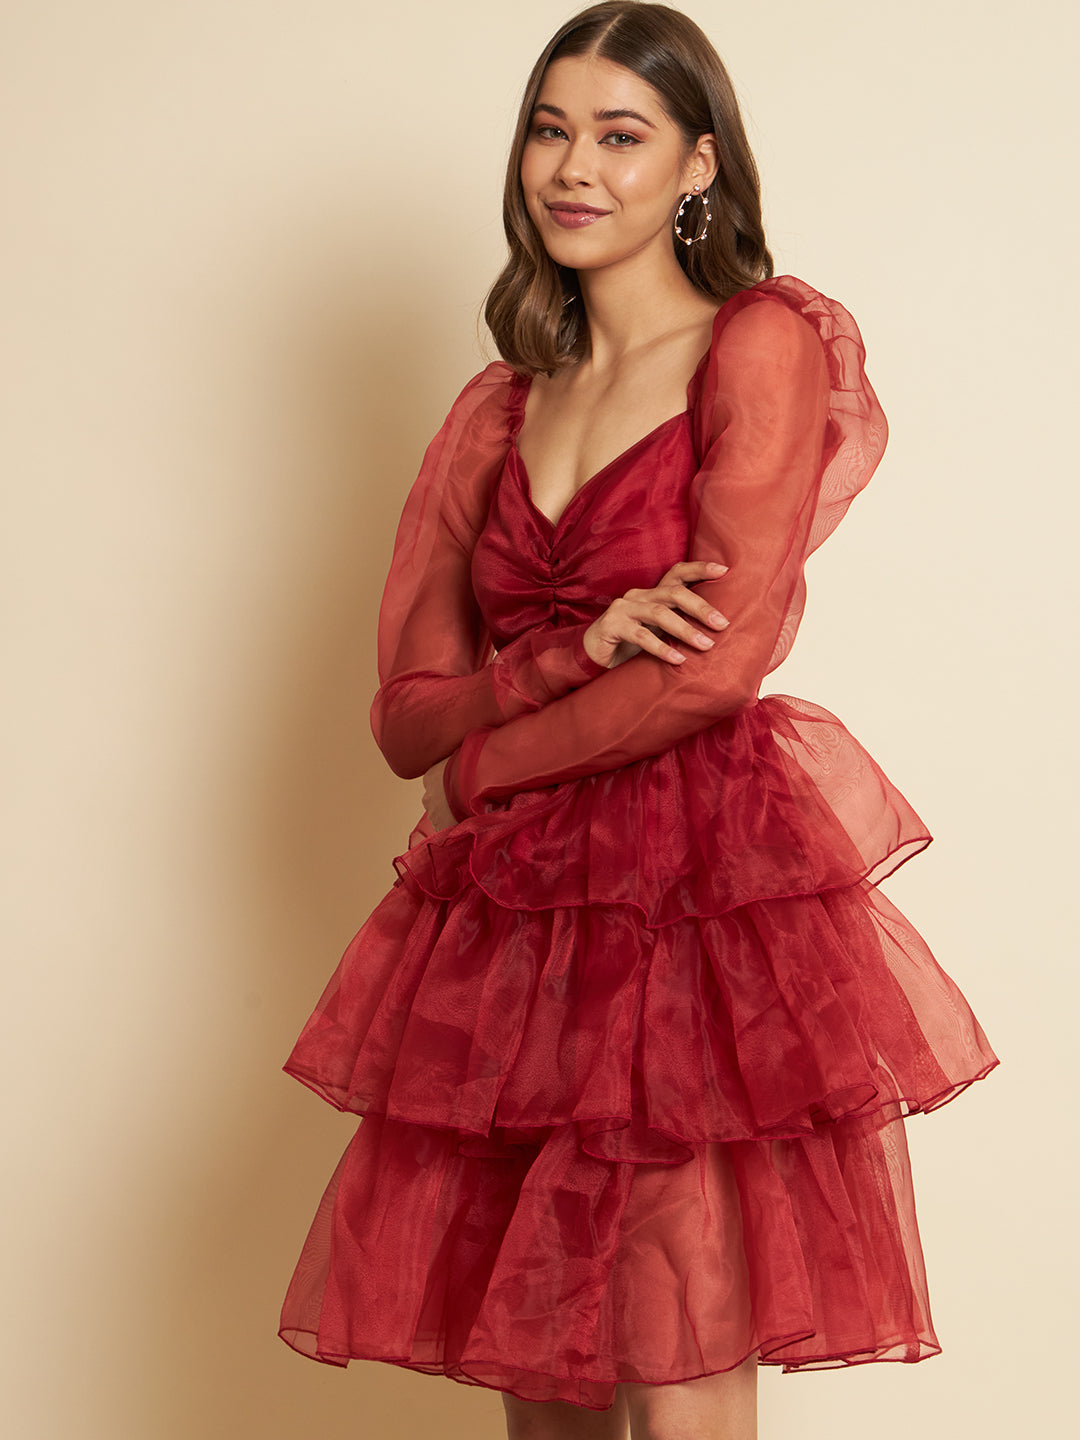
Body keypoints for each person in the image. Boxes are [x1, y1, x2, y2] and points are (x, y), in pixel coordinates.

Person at [278, 5, 998, 1437]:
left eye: (621, 135)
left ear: (697, 165)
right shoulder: (496, 411)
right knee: (538, 1372)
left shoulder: (758, 344)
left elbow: (713, 670)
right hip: (513, 929)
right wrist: (561, 659)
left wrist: (483, 767)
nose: (575, 168)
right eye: (551, 131)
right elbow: (406, 720)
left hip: (691, 905)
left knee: (678, 1361)